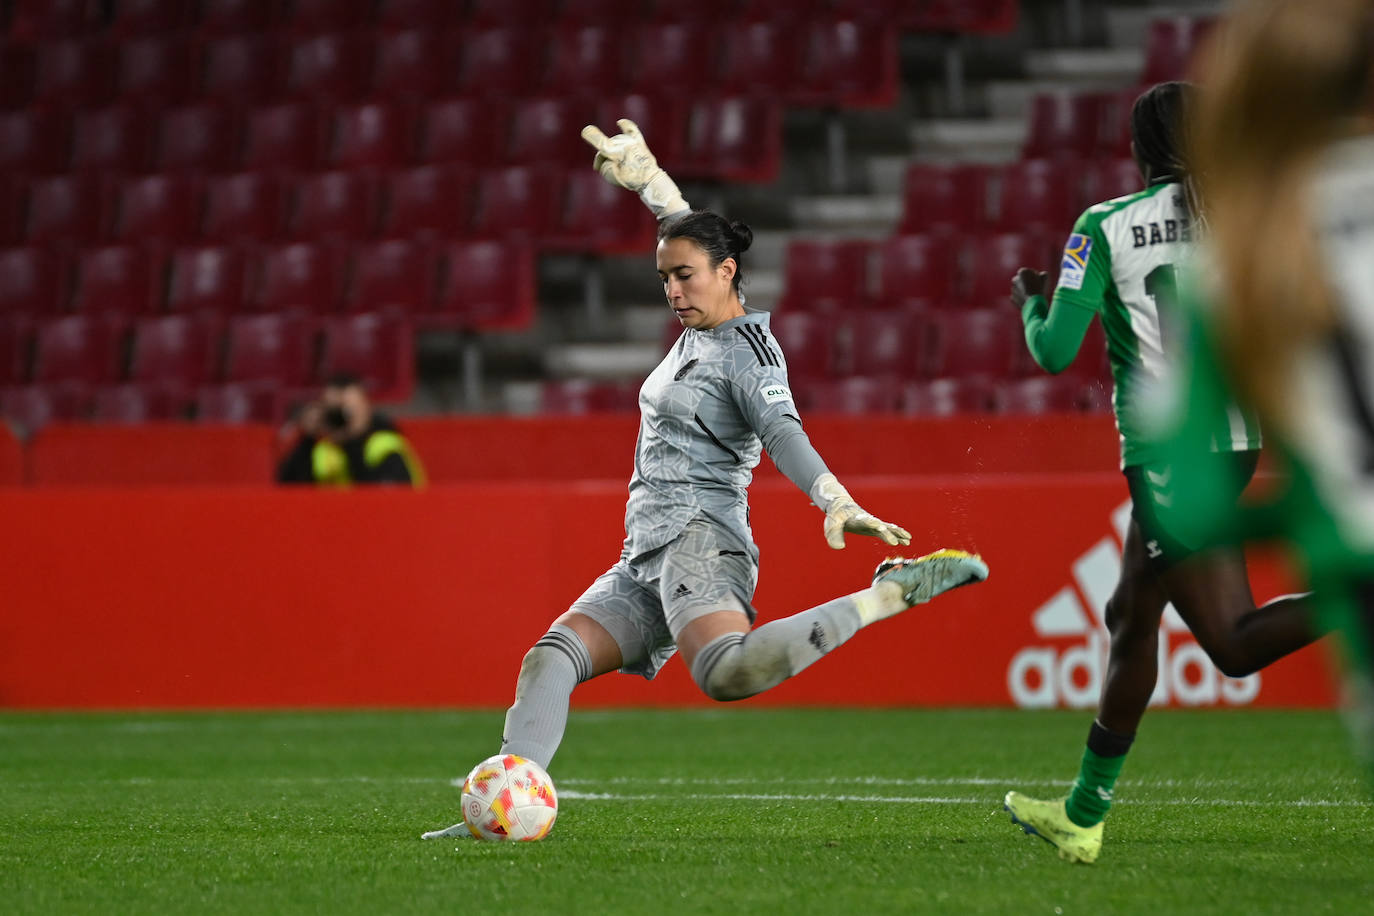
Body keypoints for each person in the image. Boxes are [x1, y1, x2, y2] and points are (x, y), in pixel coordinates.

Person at [422, 120, 988, 839]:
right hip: (647, 555)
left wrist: (835, 499)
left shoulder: (751, 354)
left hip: (700, 543)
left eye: (683, 275)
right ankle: (495, 819)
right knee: (552, 658)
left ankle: (886, 594)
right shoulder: (700, 319)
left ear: (728, 274)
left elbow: (784, 432)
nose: (672, 289)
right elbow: (683, 231)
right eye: (663, 277)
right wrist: (653, 183)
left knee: (725, 674)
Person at [1000, 81, 1326, 864]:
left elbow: (1051, 353)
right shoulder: (1241, 217)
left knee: (1232, 643)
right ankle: (1082, 815)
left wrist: (1028, 304)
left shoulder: (1103, 227)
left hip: (1172, 457)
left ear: (1138, 148)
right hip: (1239, 441)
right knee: (1130, 616)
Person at [1151, 0, 1374, 785]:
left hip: (1359, 572)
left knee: (1178, 630)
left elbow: (1192, 511)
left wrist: (1315, 516)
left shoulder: (1242, 265)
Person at [276, 373, 425, 486]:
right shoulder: (320, 448)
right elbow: (287, 491)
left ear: (367, 407)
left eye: (349, 409)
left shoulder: (384, 446)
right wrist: (308, 439)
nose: (341, 417)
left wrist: (351, 441)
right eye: (334, 410)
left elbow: (386, 499)